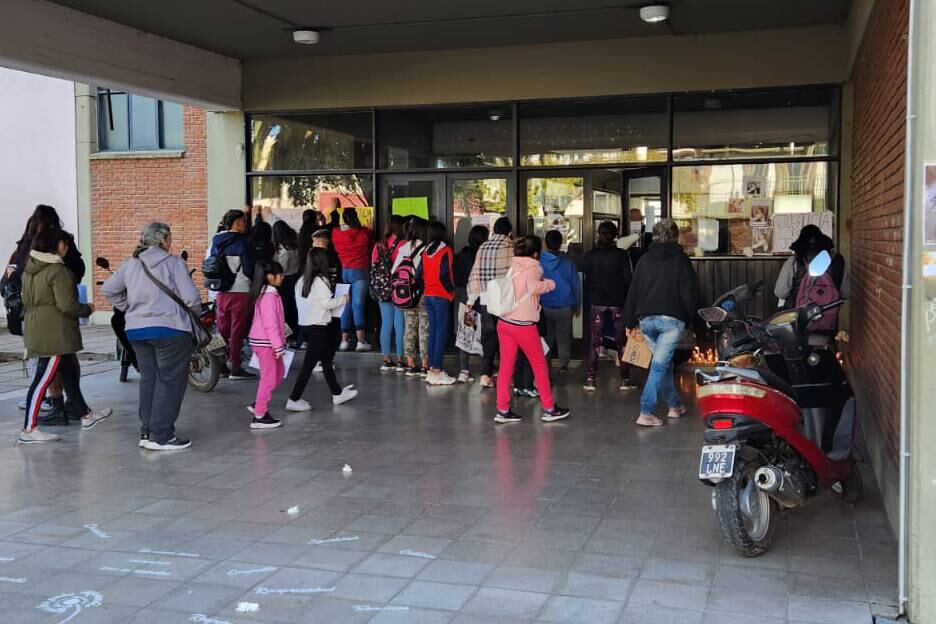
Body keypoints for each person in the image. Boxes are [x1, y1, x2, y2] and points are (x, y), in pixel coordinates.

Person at [101, 222, 200, 450]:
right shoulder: (174, 263)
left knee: (149, 380)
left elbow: (108, 290)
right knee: (170, 382)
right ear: (164, 240)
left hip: (137, 331)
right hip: (171, 330)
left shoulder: (130, 264)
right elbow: (192, 299)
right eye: (170, 238)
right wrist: (192, 318)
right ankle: (162, 435)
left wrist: (129, 308)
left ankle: (147, 431)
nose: (171, 243)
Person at [20, 228, 111, 443]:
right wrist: (87, 308)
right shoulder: (58, 271)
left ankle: (85, 415)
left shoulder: (29, 269)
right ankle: (29, 429)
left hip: (37, 325)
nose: (67, 247)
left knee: (69, 373)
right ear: (55, 245)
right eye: (64, 243)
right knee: (42, 380)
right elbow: (67, 306)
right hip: (55, 332)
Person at [8, 205, 86, 422]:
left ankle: (70, 408)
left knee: (60, 364)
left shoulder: (25, 249)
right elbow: (78, 271)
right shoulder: (58, 250)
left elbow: (10, 281)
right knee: (51, 367)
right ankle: (42, 418)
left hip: (37, 316)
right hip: (53, 317)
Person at [624, 220, 699, 427]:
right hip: (671, 321)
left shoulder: (645, 260)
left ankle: (675, 406)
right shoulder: (681, 260)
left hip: (646, 320)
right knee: (659, 366)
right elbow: (689, 294)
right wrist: (689, 319)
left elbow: (634, 291)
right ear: (675, 236)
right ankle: (646, 411)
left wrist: (629, 321)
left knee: (663, 365)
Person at [494, 235, 571, 424]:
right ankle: (549, 408)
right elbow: (533, 287)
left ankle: (502, 409)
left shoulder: (513, 265)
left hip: (505, 322)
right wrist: (550, 284)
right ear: (536, 253)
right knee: (539, 364)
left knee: (505, 367)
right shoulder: (534, 267)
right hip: (523, 325)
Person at [288, 248, 358, 410]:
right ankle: (294, 398)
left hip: (305, 326)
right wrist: (343, 299)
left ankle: (337, 393)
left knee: (326, 361)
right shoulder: (320, 281)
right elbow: (326, 304)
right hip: (318, 327)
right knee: (309, 365)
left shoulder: (301, 281)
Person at [581, 221, 636, 392]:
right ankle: (625, 379)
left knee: (594, 341)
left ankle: (590, 378)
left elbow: (586, 280)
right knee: (622, 341)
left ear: (598, 234)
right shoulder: (621, 255)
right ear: (615, 235)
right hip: (618, 302)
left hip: (596, 302)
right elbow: (628, 280)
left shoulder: (590, 256)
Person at [467, 217, 514, 388]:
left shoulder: (483, 246)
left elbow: (475, 273)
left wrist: (471, 299)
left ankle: (485, 375)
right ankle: (505, 374)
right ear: (509, 232)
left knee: (489, 338)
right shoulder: (510, 246)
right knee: (506, 338)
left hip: (487, 299)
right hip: (505, 301)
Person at [210, 209, 256, 380]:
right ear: (236, 224)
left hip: (221, 291)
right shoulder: (243, 243)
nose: (244, 225)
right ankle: (236, 367)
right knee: (237, 330)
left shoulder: (216, 242)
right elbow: (249, 269)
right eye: (243, 222)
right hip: (240, 291)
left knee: (221, 329)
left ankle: (220, 365)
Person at [246, 261, 287, 430]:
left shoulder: (267, 294)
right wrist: (278, 346)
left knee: (278, 373)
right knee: (269, 378)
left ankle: (258, 403)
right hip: (266, 343)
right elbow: (271, 324)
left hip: (266, 342)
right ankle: (260, 415)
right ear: (270, 276)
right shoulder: (269, 297)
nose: (282, 277)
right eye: (280, 274)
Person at [775, 224, 850, 309]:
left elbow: (780, 292)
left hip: (799, 316)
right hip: (828, 316)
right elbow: (846, 293)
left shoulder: (793, 262)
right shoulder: (837, 260)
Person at [332, 207, 374, 351]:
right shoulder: (363, 233)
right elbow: (369, 235)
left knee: (345, 304)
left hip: (345, 271)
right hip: (360, 271)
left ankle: (344, 341)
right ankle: (360, 341)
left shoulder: (336, 234)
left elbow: (335, 231)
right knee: (357, 304)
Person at [539, 229, 581, 375]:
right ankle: (563, 365)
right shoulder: (568, 262)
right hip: (565, 305)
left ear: (545, 243)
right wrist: (577, 305)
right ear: (561, 243)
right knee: (564, 337)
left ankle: (546, 365)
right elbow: (576, 285)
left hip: (544, 304)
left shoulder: (539, 261)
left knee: (546, 337)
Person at [420, 221, 456, 385]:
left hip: (428, 294)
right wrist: (451, 292)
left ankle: (431, 369)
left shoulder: (425, 252)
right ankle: (436, 370)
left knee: (433, 332)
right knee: (441, 333)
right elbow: (445, 274)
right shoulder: (445, 251)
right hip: (441, 296)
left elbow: (419, 274)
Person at [393, 218, 430, 376]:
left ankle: (410, 362)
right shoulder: (426, 248)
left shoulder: (404, 248)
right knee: (424, 328)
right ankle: (424, 364)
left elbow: (394, 271)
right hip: (422, 293)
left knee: (409, 327)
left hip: (406, 294)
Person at [454, 225, 488, 383]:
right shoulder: (483, 256)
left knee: (465, 332)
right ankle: (486, 370)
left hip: (463, 298)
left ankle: (464, 370)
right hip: (480, 297)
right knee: (485, 332)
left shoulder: (461, 254)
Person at [372, 215, 406, 372]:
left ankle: (386, 358)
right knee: (400, 323)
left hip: (382, 288)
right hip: (399, 288)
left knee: (386, 323)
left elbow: (373, 266)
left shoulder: (378, 246)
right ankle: (400, 359)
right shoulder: (403, 244)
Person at [273, 220, 301, 340]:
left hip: (284, 280)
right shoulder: (294, 246)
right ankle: (295, 333)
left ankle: (287, 335)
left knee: (284, 308)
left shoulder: (283, 249)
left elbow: (282, 268)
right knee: (293, 307)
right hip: (294, 278)